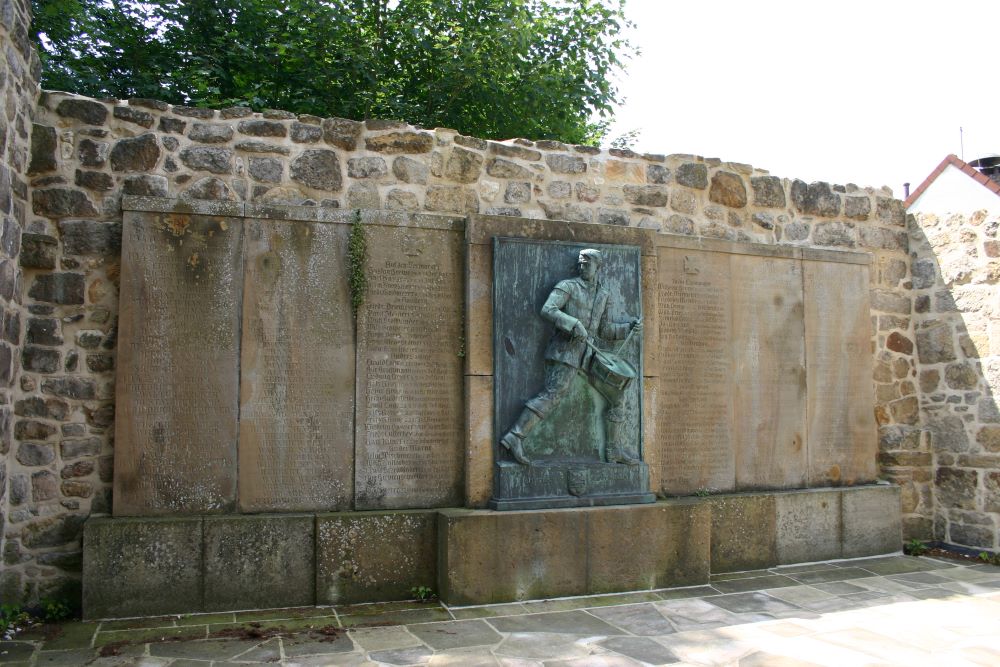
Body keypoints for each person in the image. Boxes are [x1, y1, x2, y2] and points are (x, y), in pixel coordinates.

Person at [500, 248, 642, 465]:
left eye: (586, 263)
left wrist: (628, 328)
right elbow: (548, 309)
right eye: (580, 263)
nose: (581, 267)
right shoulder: (567, 286)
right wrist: (572, 323)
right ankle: (514, 437)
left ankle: (614, 451)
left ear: (597, 266)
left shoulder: (603, 294)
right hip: (565, 352)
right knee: (553, 395)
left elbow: (604, 329)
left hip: (589, 356)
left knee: (617, 397)